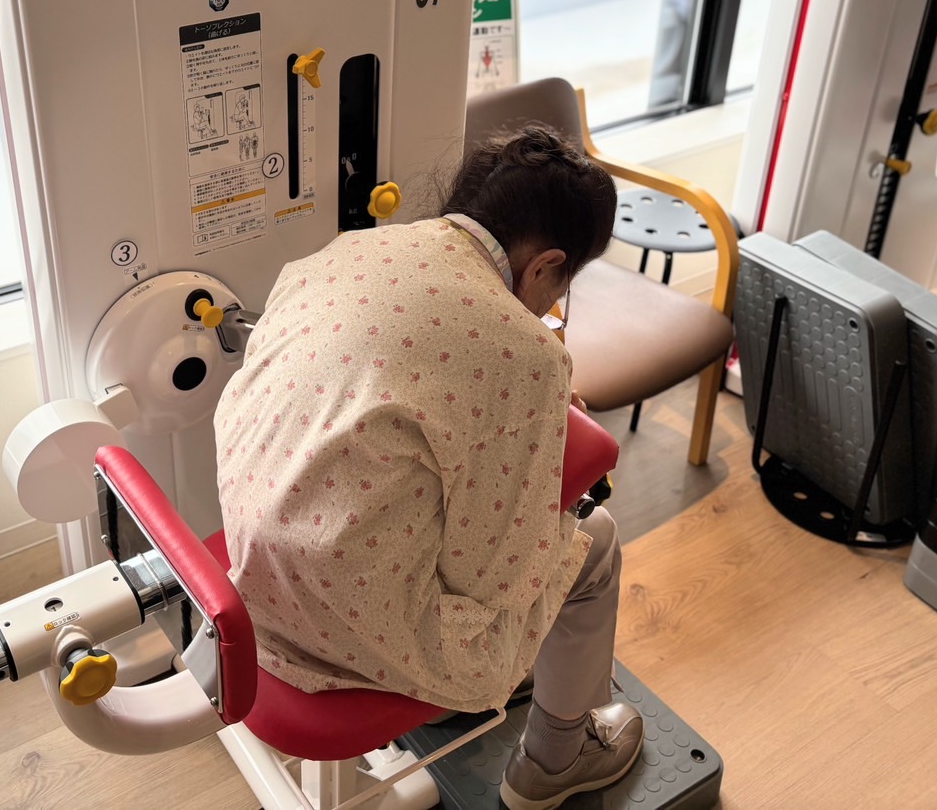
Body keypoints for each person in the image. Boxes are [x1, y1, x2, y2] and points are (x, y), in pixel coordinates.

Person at [214, 123, 642, 810]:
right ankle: (556, 758)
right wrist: (536, 448)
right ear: (545, 266)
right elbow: (492, 576)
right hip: (344, 621)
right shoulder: (525, 351)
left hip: (248, 569)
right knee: (595, 545)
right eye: (560, 287)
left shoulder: (347, 252)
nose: (550, 307)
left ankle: (481, 683)